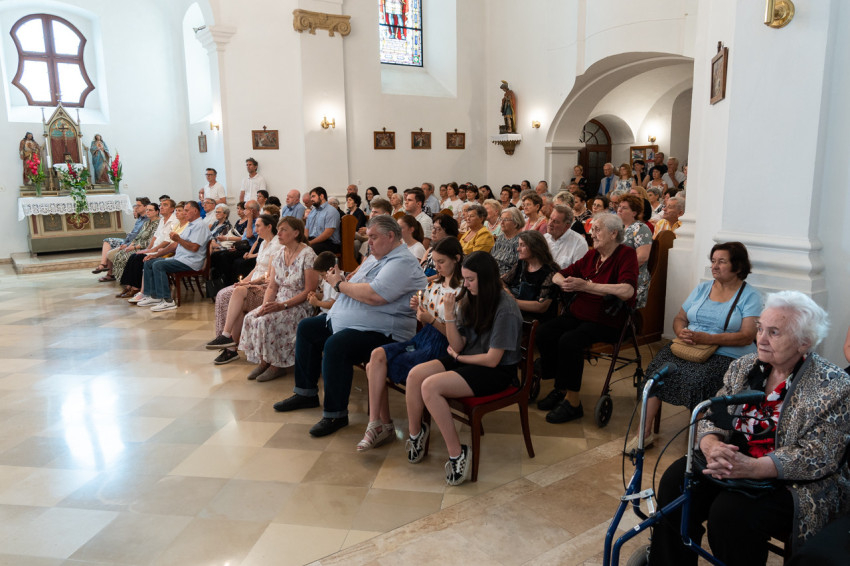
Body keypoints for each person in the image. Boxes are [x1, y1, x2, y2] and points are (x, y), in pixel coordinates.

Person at [649, 291, 850, 566]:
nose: (761, 339)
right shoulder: (744, 366)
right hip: (735, 459)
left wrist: (754, 468)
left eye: (774, 332)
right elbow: (713, 413)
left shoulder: (833, 385)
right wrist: (711, 445)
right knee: (676, 482)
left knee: (729, 515)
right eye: (760, 328)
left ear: (804, 342)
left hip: (792, 480)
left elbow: (818, 454)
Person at [273, 216, 428, 438]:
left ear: (391, 236)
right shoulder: (376, 257)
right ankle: (305, 393)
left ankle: (335, 414)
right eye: (368, 237)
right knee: (307, 328)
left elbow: (374, 295)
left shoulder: (402, 262)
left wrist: (339, 283)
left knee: (337, 345)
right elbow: (354, 284)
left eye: (373, 237)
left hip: (384, 331)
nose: (369, 242)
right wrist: (341, 280)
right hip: (355, 322)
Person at [404, 251, 523, 486]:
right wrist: (449, 316)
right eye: (465, 279)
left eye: (470, 279)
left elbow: (492, 360)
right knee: (415, 375)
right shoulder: (471, 297)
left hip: (497, 371)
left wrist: (460, 357)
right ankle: (416, 434)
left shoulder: (506, 308)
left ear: (486, 279)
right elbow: (457, 344)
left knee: (431, 387)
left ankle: (457, 453)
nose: (465, 285)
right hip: (468, 356)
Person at [629, 242, 761, 450]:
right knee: (656, 372)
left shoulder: (750, 295)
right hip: (689, 346)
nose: (714, 266)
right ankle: (644, 432)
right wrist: (680, 331)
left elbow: (747, 336)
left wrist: (708, 339)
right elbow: (680, 318)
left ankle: (701, 440)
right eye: (713, 261)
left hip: (726, 353)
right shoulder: (702, 288)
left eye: (722, 262)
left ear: (738, 266)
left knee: (699, 380)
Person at [356, 237, 464, 452]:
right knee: (376, 355)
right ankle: (375, 423)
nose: (437, 267)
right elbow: (426, 315)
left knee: (373, 367)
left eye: (441, 262)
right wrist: (419, 308)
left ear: (457, 259)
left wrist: (430, 319)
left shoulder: (462, 290)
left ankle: (391, 427)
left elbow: (456, 337)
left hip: (442, 345)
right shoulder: (434, 285)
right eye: (435, 262)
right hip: (423, 338)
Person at [535, 213, 638, 423]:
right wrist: (563, 282)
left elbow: (627, 290)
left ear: (613, 233)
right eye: (592, 229)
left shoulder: (625, 254)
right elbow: (559, 273)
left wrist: (587, 286)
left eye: (597, 229)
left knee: (569, 341)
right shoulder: (592, 256)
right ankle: (561, 388)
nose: (592, 233)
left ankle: (573, 403)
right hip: (579, 314)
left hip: (608, 320)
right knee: (545, 332)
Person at [237, 217, 319, 381]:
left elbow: (309, 290)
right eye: (278, 229)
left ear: (296, 233)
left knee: (268, 321)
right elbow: (272, 286)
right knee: (253, 317)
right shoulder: (279, 254)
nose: (279, 233)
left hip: (300, 304)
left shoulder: (308, 254)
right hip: (280, 299)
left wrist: (283, 305)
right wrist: (265, 306)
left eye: (283, 230)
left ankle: (277, 365)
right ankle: (264, 361)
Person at [205, 214, 283, 365]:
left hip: (263, 286)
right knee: (223, 293)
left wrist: (249, 284)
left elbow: (268, 276)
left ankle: (227, 341)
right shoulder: (263, 243)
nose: (255, 229)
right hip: (254, 283)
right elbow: (256, 268)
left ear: (269, 227)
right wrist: (243, 281)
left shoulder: (277, 246)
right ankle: (228, 344)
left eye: (258, 226)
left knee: (228, 295)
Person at [137, 201, 212, 312]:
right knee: (149, 262)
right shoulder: (190, 225)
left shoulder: (200, 226)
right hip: (180, 259)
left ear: (195, 211)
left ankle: (167, 301)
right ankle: (153, 296)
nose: (184, 213)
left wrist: (179, 239)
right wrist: (155, 255)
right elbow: (174, 245)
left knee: (158, 265)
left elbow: (194, 248)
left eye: (187, 210)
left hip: (190, 262)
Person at [122, 199, 179, 301]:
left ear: (172, 209)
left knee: (139, 258)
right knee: (134, 256)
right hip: (155, 248)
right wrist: (147, 249)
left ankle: (137, 288)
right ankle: (129, 286)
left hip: (163, 249)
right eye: (161, 205)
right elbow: (155, 237)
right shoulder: (162, 220)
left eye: (165, 205)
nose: (161, 207)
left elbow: (167, 241)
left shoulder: (175, 221)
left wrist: (152, 250)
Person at [502, 230, 560, 321]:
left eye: (522, 245)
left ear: (535, 248)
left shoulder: (550, 272)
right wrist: (507, 292)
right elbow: (502, 281)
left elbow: (541, 306)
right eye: (519, 245)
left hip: (536, 318)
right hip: (516, 310)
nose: (518, 249)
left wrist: (512, 301)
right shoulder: (522, 263)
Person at [92, 197, 151, 276]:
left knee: (111, 251)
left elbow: (139, 236)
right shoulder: (140, 218)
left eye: (138, 205)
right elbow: (133, 233)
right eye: (136, 205)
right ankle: (103, 265)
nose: (136, 207)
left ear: (145, 206)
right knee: (107, 241)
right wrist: (125, 242)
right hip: (127, 241)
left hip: (133, 243)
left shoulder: (148, 220)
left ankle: (107, 271)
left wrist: (127, 244)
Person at [108, 202, 161, 286]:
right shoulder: (146, 222)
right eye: (147, 210)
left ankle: (131, 283)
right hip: (136, 245)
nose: (147, 212)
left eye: (150, 210)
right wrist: (130, 245)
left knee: (125, 257)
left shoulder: (159, 223)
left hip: (145, 247)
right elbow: (138, 236)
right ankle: (124, 282)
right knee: (119, 254)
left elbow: (150, 241)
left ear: (157, 211)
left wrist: (134, 247)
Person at [617, 194, 653, 309]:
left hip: (633, 278)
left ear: (634, 212)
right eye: (619, 206)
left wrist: (619, 270)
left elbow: (642, 257)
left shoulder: (640, 228)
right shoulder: (620, 228)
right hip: (619, 274)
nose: (619, 210)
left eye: (624, 208)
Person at [545, 204, 588, 269]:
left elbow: (579, 271)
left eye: (555, 222)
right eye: (550, 219)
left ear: (567, 226)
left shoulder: (579, 243)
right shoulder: (544, 238)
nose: (550, 224)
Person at [421, 213, 459, 278]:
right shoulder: (430, 250)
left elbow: (445, 275)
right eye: (433, 227)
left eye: (438, 229)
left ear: (449, 232)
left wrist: (425, 280)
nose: (433, 231)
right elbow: (419, 269)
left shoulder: (452, 252)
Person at [305, 186, 341, 254]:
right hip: (313, 240)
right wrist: (303, 241)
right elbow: (306, 229)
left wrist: (310, 243)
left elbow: (327, 233)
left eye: (313, 196)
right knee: (296, 246)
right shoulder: (312, 211)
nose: (311, 199)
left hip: (329, 243)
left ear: (321, 196)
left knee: (309, 250)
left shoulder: (331, 211)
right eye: (311, 197)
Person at [491, 206, 523, 275]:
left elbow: (519, 268)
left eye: (505, 219)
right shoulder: (500, 238)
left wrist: (502, 279)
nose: (501, 222)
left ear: (515, 223)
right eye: (501, 219)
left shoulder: (521, 241)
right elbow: (492, 258)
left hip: (507, 277)